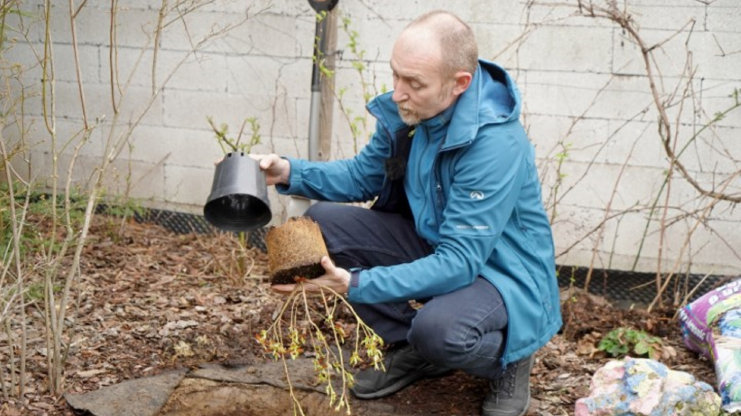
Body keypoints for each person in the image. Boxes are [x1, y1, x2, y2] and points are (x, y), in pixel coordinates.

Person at [254, 10, 561, 416]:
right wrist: (290, 172)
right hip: (439, 243)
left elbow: (460, 262)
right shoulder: (412, 112)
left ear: (459, 84)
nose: (398, 92)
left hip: (502, 272)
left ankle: (510, 356)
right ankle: (417, 349)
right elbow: (363, 176)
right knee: (325, 225)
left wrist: (354, 284)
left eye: (414, 83)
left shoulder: (494, 144)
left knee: (440, 330)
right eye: (396, 75)